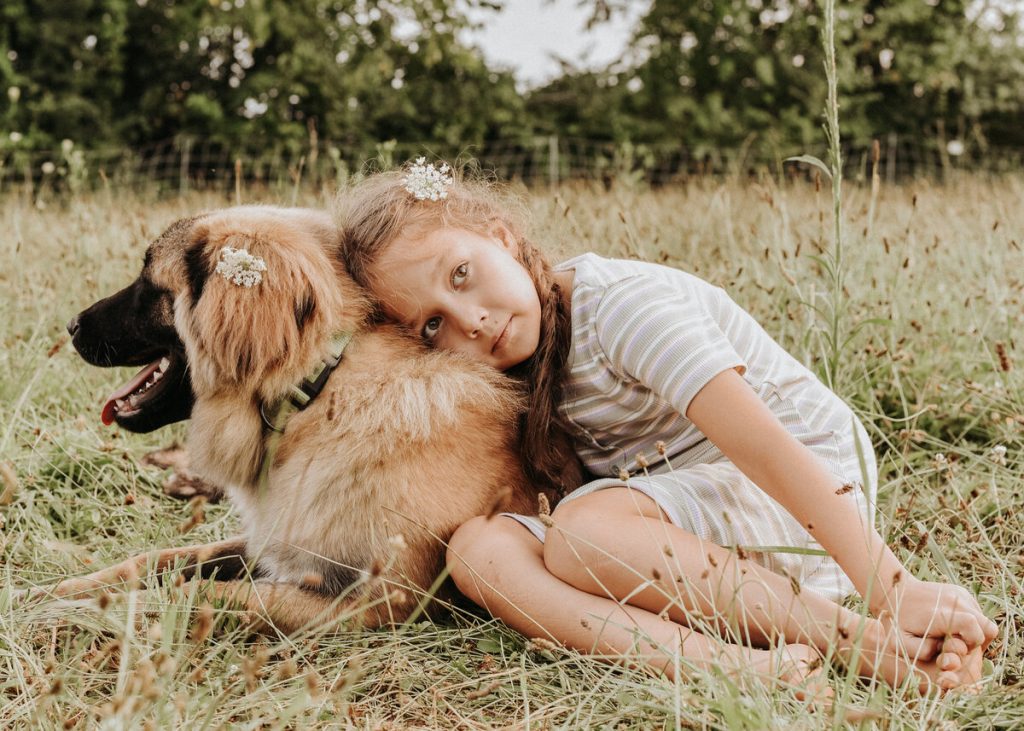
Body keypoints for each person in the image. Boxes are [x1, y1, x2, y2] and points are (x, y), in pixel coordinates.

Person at [337, 161, 997, 695]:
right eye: (432, 325)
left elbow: (763, 446)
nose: (469, 320)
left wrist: (894, 586)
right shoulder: (496, 370)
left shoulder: (622, 307)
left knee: (583, 531)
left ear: (501, 234)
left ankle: (858, 640)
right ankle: (730, 667)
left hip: (802, 490)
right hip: (673, 516)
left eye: (462, 274)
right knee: (478, 549)